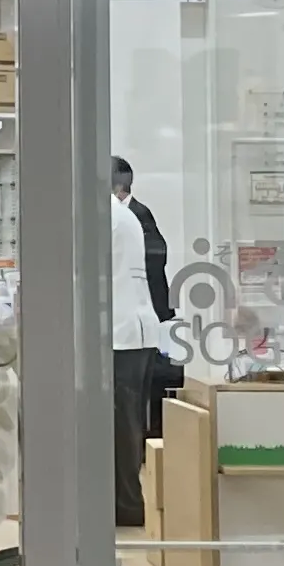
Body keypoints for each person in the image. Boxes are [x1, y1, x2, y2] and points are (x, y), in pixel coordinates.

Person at [112, 157, 176, 530]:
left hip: (124, 333)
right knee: (126, 421)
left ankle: (127, 506)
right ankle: (123, 503)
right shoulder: (122, 216)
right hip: (129, 330)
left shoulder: (115, 217)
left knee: (124, 422)